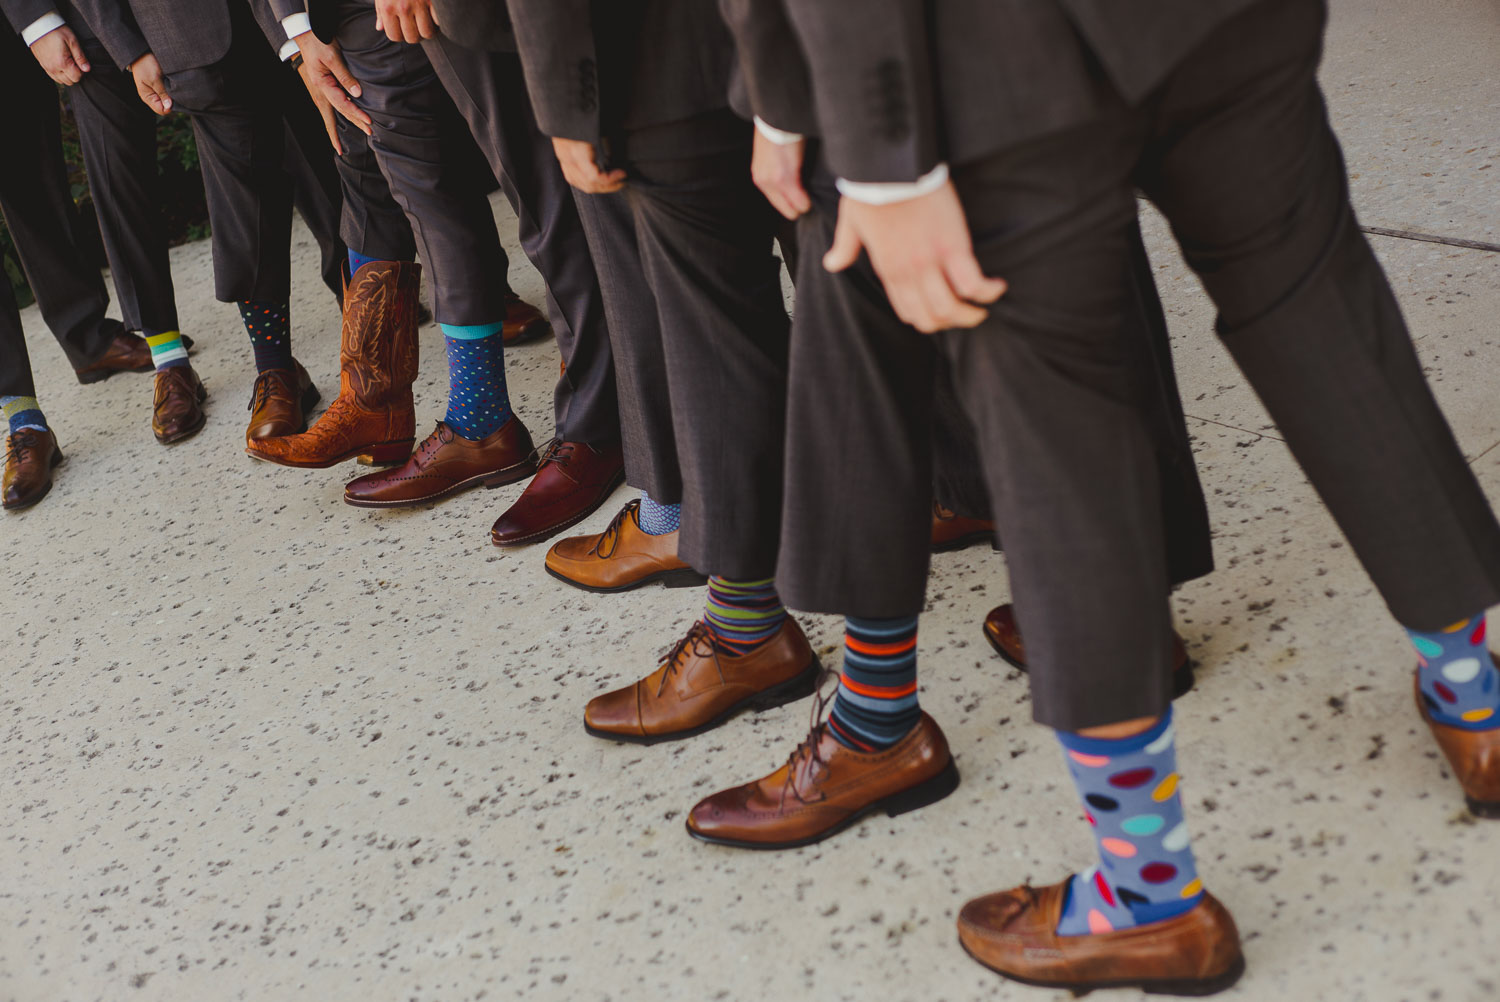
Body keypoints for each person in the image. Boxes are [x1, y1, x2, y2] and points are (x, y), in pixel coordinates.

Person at [761, 0, 1500, 993]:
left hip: (992, 66)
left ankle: (1149, 895)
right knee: (1324, 319)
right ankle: (1481, 706)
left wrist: (870, 145)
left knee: (1059, 447)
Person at [252, 0, 626, 548]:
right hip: (343, 15)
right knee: (424, 201)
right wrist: (298, 28)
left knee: (539, 181)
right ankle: (471, 419)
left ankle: (598, 425)